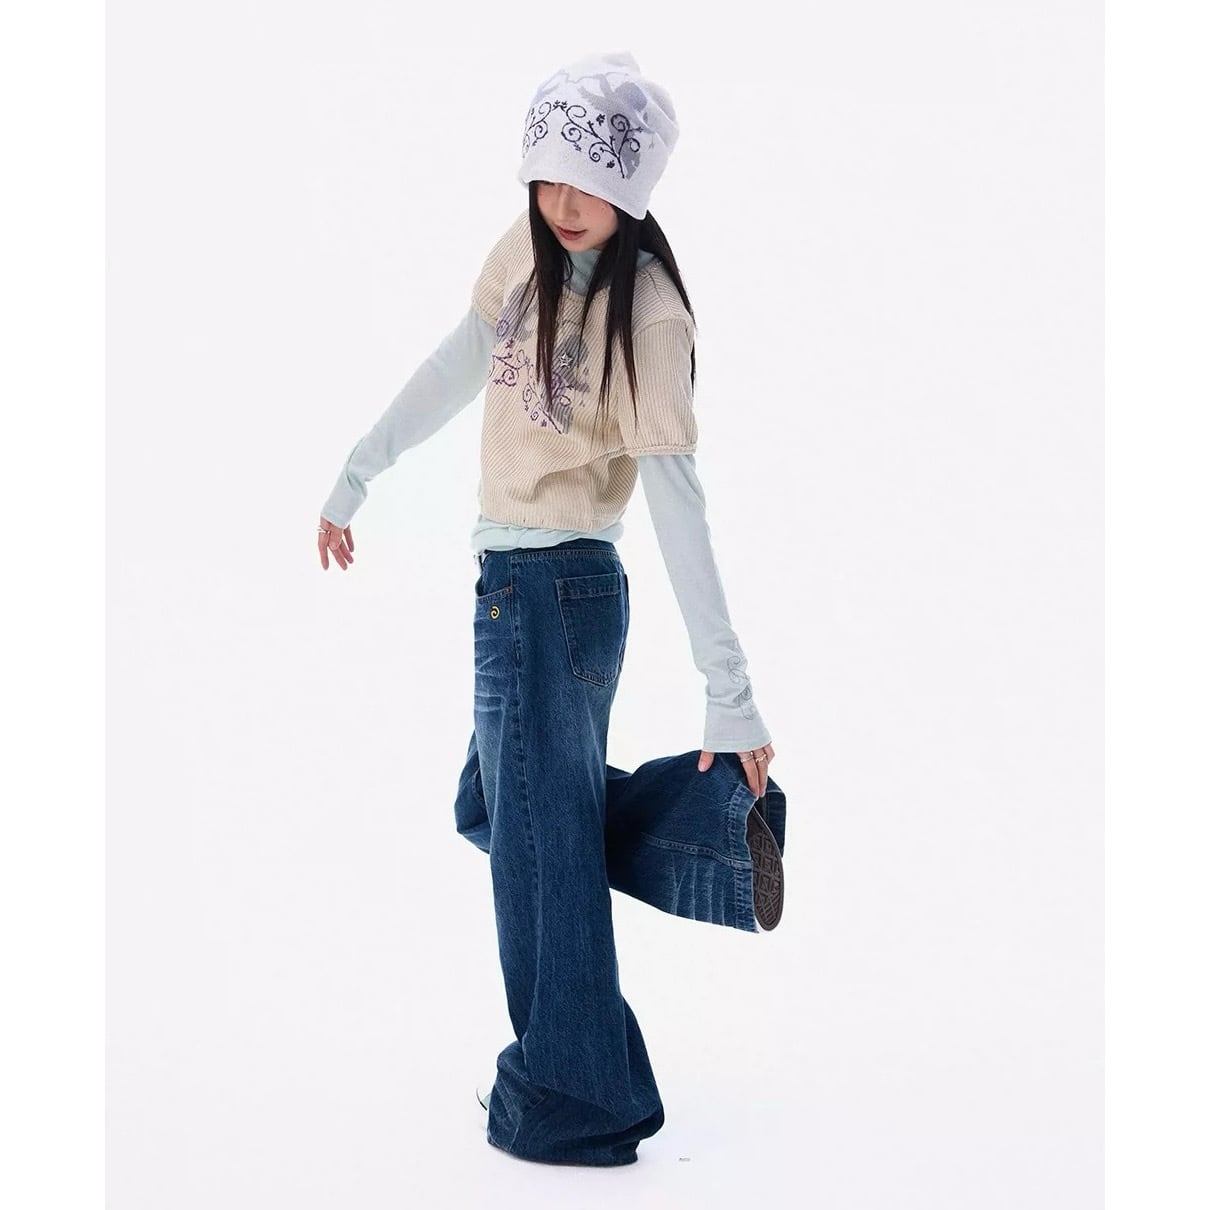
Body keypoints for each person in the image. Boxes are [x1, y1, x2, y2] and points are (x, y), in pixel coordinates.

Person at [315, 50, 787, 1167]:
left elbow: (678, 502)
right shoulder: (524, 255)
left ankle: (577, 1094)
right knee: (504, 811)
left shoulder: (650, 314)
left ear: (633, 187)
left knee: (534, 843)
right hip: (514, 591)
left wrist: (729, 692)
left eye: (592, 181)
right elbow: (456, 361)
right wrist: (357, 471)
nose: (565, 202)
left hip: (555, 592)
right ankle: (715, 834)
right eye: (549, 176)